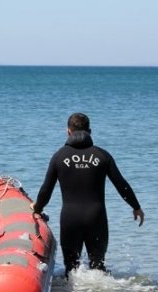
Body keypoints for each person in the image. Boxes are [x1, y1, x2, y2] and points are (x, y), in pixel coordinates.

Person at [32, 112, 144, 277]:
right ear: (89, 131)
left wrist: (37, 208)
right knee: (98, 269)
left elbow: (46, 189)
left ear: (68, 131)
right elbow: (121, 184)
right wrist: (136, 207)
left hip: (70, 219)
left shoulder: (59, 156)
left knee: (71, 271)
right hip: (96, 218)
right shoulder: (102, 155)